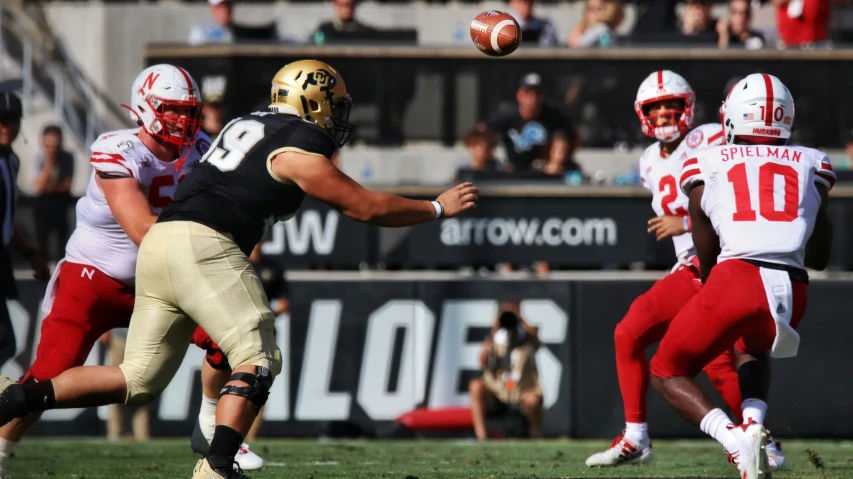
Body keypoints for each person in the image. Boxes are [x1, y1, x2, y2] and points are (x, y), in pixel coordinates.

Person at [0, 59, 479, 479]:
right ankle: (217, 466)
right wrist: (435, 208)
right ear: (312, 104)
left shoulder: (245, 124)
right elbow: (366, 207)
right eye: (332, 104)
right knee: (258, 355)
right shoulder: (297, 142)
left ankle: (13, 400)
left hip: (160, 248)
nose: (336, 116)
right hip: (195, 246)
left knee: (137, 378)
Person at [0, 65, 264, 476]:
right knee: (50, 373)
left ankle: (210, 422)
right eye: (173, 110)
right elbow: (143, 230)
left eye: (188, 111)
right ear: (145, 107)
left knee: (229, 338)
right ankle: (0, 449)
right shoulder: (117, 149)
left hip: (158, 281)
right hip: (92, 279)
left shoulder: (202, 147)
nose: (183, 120)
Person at [585, 71, 781, 469]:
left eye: (671, 104)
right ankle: (761, 442)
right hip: (694, 263)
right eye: (654, 107)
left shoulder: (710, 136)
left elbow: (739, 191)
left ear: (688, 105)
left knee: (631, 332)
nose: (662, 113)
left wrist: (688, 223)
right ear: (641, 113)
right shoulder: (647, 162)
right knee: (716, 360)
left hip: (717, 258)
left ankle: (640, 436)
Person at [651, 73, 833, 479]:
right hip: (793, 289)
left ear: (732, 117)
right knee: (753, 346)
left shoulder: (706, 162)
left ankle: (734, 441)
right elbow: (820, 257)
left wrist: (714, 293)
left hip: (736, 278)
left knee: (666, 370)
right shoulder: (812, 162)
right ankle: (754, 425)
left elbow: (708, 251)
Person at [0, 92, 49, 373]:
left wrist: (31, 255)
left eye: (12, 120)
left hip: (2, 257)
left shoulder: (12, 161)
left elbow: (7, 221)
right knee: (4, 341)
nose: (6, 127)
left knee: (5, 342)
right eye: (1, 121)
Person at [469, 301, 543, 440]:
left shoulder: (526, 337)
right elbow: (482, 362)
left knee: (533, 400)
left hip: (522, 390)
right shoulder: (495, 338)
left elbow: (538, 344)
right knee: (475, 386)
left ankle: (536, 436)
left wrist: (520, 319)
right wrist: (494, 331)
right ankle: (481, 436)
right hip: (498, 391)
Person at [481, 73, 579, 175]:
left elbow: (567, 139)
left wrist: (555, 163)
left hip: (544, 172)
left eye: (537, 93)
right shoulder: (507, 115)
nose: (533, 98)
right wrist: (495, 161)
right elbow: (482, 133)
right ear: (519, 95)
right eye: (528, 93)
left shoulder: (554, 117)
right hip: (513, 170)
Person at [33, 125, 75, 261]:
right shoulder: (39, 158)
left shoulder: (67, 157)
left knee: (62, 239)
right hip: (43, 204)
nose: (53, 148)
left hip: (60, 203)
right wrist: (50, 161)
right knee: (41, 239)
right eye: (49, 144)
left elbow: (67, 186)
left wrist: (49, 187)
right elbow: (39, 187)